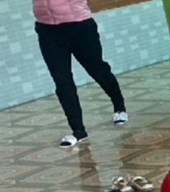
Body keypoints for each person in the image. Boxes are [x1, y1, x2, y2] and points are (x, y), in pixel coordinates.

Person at [34, 0, 128, 148]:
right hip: (47, 31)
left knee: (98, 70)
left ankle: (119, 105)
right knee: (62, 80)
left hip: (80, 26)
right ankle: (78, 131)